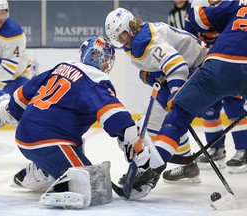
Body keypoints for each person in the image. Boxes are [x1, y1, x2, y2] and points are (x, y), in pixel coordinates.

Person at [0, 35, 155, 208]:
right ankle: (54, 180)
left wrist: (8, 111)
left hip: (26, 135)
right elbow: (114, 115)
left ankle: (45, 170)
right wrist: (132, 143)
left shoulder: (62, 66)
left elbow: (23, 94)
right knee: (94, 184)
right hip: (49, 140)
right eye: (102, 59)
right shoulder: (95, 80)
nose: (104, 64)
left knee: (77, 144)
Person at [132, 0, 247, 193]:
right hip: (222, 65)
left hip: (219, 63)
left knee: (178, 115)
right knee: (219, 111)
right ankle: (219, 151)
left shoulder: (235, 4)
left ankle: (151, 172)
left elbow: (198, 18)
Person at [105, 7, 208, 184]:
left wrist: (176, 96)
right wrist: (150, 75)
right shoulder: (138, 38)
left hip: (198, 70)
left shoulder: (145, 41)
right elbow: (161, 67)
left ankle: (144, 170)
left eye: (121, 34)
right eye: (117, 38)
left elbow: (177, 66)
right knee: (160, 119)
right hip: (193, 68)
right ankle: (188, 164)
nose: (121, 40)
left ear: (130, 26)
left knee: (150, 124)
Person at [165, 0, 247, 177]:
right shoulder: (199, 5)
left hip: (223, 58)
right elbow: (190, 38)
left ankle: (243, 149)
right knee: (209, 109)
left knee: (234, 106)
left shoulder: (230, 4)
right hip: (210, 59)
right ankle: (216, 149)